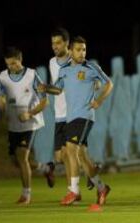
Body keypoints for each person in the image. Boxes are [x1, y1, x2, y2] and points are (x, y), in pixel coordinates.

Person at [48, 36, 113, 206]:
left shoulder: (91, 67)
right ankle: (101, 187)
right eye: (78, 49)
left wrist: (99, 101)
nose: (82, 53)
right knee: (82, 157)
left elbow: (109, 84)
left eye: (84, 49)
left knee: (70, 150)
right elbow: (57, 89)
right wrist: (46, 88)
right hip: (71, 117)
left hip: (85, 115)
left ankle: (74, 191)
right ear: (70, 51)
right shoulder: (64, 70)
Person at [0, 47, 48, 204]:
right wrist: (2, 109)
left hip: (29, 123)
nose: (11, 67)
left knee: (22, 155)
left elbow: (45, 101)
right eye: (8, 64)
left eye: (13, 63)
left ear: (20, 60)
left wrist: (29, 114)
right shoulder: (3, 76)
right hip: (13, 124)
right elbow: (1, 97)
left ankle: (26, 194)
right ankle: (44, 168)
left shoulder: (32, 75)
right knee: (16, 161)